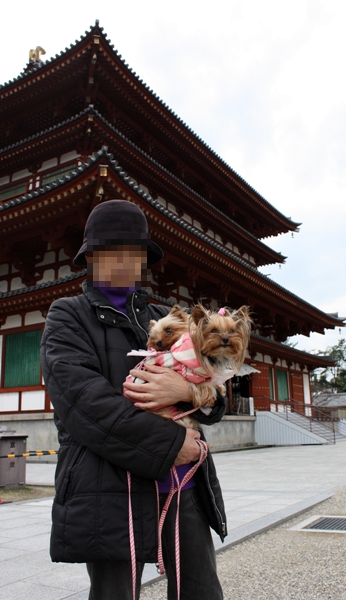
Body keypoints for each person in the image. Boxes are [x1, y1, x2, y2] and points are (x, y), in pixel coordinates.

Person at [40, 199, 227, 600]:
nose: (124, 261)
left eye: (134, 252)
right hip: (106, 486)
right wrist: (174, 444)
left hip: (182, 484)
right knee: (115, 595)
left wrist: (188, 391)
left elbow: (215, 387)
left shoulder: (166, 316)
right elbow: (83, 405)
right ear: (91, 257)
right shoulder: (67, 316)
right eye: (111, 251)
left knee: (201, 590)